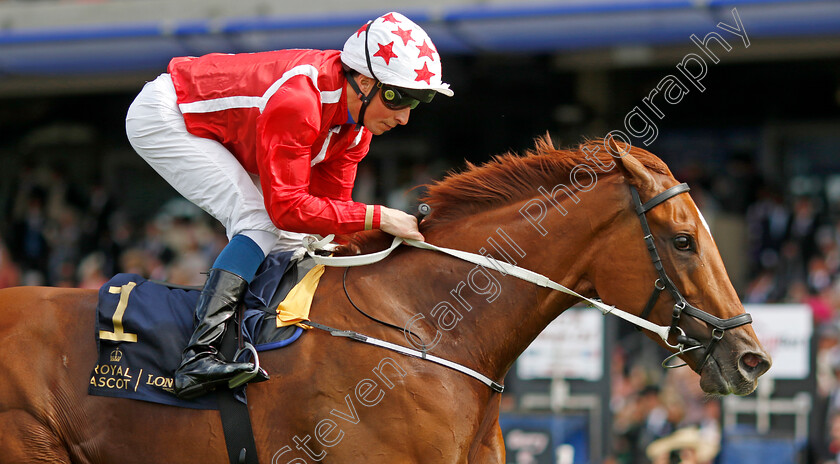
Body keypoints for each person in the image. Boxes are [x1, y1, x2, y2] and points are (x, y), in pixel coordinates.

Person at [125, 11, 452, 399]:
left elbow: (328, 218)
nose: (403, 117)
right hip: (168, 114)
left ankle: (259, 341)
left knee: (295, 239)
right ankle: (198, 355)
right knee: (259, 220)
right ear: (363, 82)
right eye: (398, 97)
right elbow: (287, 209)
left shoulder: (354, 133)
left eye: (420, 100)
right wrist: (381, 216)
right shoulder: (300, 101)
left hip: (228, 127)